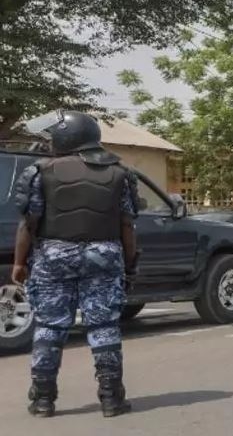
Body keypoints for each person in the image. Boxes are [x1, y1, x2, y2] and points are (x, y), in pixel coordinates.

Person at [12, 111, 139, 418]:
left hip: (53, 257)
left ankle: (43, 399)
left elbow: (29, 224)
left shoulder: (40, 171)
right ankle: (111, 399)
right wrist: (130, 265)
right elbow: (127, 227)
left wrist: (19, 263)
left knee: (50, 327)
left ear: (65, 138)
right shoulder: (120, 173)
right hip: (104, 257)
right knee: (104, 327)